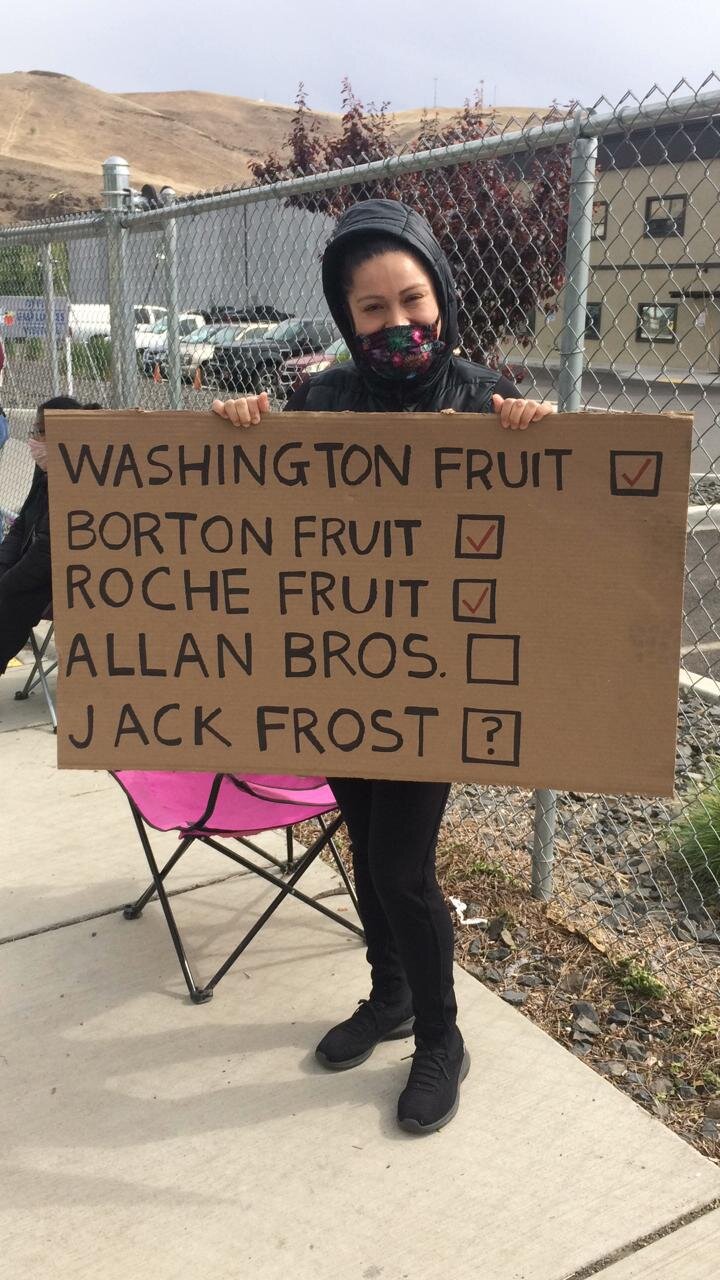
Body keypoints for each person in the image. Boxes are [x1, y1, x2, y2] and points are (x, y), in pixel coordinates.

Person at [213, 198, 555, 1135]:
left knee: (403, 868)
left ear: (440, 296)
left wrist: (540, 431)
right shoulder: (318, 402)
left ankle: (441, 1036)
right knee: (368, 851)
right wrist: (242, 425)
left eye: (412, 299)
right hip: (340, 674)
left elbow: (547, 527)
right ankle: (391, 994)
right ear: (345, 317)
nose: (397, 323)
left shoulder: (485, 400)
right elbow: (270, 519)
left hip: (433, 686)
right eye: (371, 309)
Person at [0, 395, 100, 676]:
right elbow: (22, 524)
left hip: (56, 579)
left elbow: (47, 553)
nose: (33, 438)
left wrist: (6, 582)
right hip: (28, 570)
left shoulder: (81, 478)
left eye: (40, 431)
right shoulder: (45, 468)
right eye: (35, 429)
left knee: (8, 600)